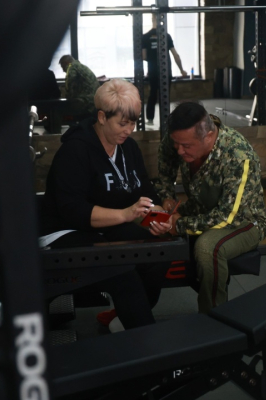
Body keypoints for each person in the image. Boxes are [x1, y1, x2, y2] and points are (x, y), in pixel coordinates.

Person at [39, 78, 172, 330]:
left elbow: (146, 192)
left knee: (157, 252)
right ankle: (146, 339)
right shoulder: (75, 151)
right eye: (122, 123)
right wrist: (125, 214)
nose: (129, 130)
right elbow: (73, 211)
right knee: (121, 269)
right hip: (66, 230)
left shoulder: (129, 148)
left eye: (133, 123)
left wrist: (157, 216)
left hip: (107, 227)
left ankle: (125, 318)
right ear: (102, 117)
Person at [156, 102, 266, 314]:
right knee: (148, 220)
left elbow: (227, 216)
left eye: (186, 146)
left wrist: (178, 225)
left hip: (243, 221)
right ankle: (133, 308)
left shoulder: (238, 155)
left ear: (208, 136)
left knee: (207, 248)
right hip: (201, 208)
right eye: (176, 144)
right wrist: (167, 197)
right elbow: (165, 160)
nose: (179, 150)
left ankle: (214, 319)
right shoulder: (180, 138)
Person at [142, 14, 188, 125]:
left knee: (153, 93)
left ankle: (150, 119)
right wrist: (182, 70)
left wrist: (152, 62)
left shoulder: (145, 37)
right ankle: (165, 120)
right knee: (165, 95)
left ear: (152, 19)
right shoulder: (166, 36)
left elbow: (143, 56)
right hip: (166, 71)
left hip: (153, 72)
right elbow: (176, 55)